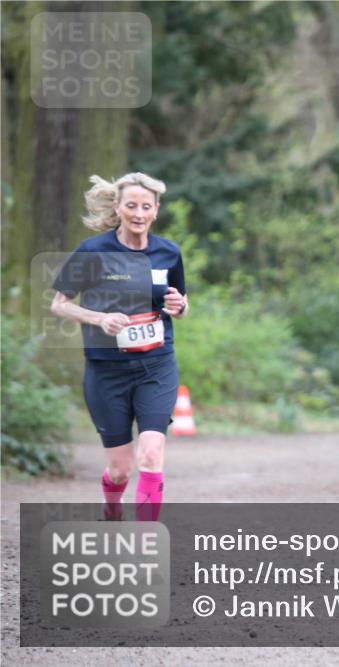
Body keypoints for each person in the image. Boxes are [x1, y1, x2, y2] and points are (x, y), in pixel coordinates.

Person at [50, 173, 188, 521]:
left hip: (156, 366)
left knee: (152, 453)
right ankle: (112, 509)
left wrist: (181, 307)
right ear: (118, 207)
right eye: (131, 206)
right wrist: (98, 319)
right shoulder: (93, 251)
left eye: (146, 206)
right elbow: (59, 304)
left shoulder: (168, 253)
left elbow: (180, 303)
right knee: (121, 470)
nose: (138, 213)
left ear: (155, 210)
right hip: (106, 370)